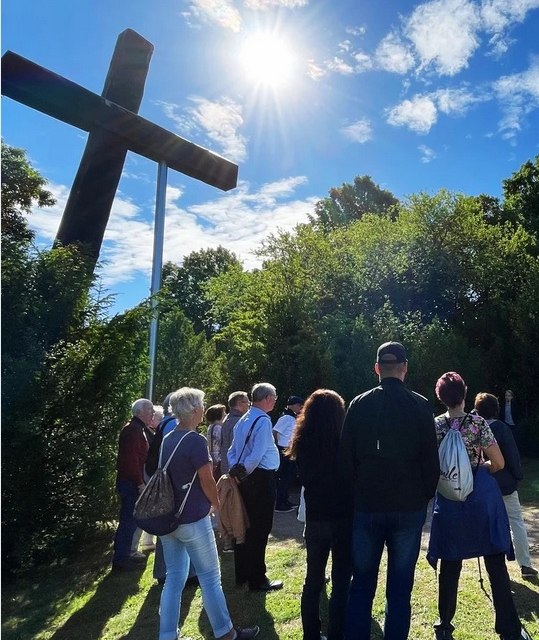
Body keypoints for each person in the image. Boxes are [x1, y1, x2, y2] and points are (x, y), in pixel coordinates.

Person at [339, 341, 440, 640]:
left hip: (368, 505)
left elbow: (345, 461)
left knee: (362, 582)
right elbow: (430, 462)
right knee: (400, 585)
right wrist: (422, 497)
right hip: (408, 507)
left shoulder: (358, 404)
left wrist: (358, 492)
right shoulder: (420, 405)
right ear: (405, 368)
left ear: (377, 369)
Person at [428, 372, 531, 640]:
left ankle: (445, 626)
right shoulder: (478, 424)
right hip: (479, 502)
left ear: (440, 397)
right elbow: (498, 463)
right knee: (495, 563)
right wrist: (482, 465)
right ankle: (509, 629)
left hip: (449, 502)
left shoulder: (435, 426)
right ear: (465, 393)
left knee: (450, 565)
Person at [158, 387, 259, 640]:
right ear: (194, 410)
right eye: (201, 405)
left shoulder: (167, 438)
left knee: (174, 579)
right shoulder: (195, 440)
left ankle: (167, 635)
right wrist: (217, 506)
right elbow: (206, 480)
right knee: (211, 577)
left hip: (170, 519)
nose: (204, 409)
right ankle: (226, 634)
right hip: (193, 519)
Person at [288, 389, 352, 640]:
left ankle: (311, 633)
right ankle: (337, 632)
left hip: (316, 517)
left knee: (313, 578)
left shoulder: (302, 442)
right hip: (344, 516)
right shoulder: (346, 440)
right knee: (341, 580)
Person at [474, 392, 538, 579]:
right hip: (504, 483)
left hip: (483, 484)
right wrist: (517, 476)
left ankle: (494, 565)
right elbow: (512, 455)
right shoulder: (501, 429)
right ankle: (525, 564)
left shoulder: (473, 428)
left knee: (489, 524)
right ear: (496, 409)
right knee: (516, 522)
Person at [227, 382, 283, 591]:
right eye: (275, 397)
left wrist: (236, 470)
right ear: (267, 398)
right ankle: (257, 579)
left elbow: (232, 451)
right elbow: (257, 454)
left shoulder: (243, 418)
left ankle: (243, 574)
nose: (275, 401)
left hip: (245, 477)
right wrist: (245, 473)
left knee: (244, 526)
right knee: (260, 528)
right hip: (259, 479)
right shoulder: (263, 420)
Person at [112, 398, 154, 571]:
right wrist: (139, 482)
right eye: (149, 410)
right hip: (130, 482)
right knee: (128, 521)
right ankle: (121, 560)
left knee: (131, 520)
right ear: (139, 412)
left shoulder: (138, 429)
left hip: (132, 481)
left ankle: (125, 555)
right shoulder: (132, 430)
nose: (152, 413)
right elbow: (131, 460)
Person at [273, 395, 304, 512]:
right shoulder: (286, 417)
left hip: (289, 449)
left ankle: (285, 500)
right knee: (285, 477)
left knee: (289, 477)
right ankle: (280, 503)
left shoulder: (292, 417)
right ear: (292, 405)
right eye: (298, 405)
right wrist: (277, 446)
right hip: (284, 449)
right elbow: (275, 431)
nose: (300, 407)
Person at [220, 391, 250, 475]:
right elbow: (237, 449)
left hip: (226, 466)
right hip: (233, 470)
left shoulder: (228, 419)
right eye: (247, 402)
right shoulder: (238, 422)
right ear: (239, 403)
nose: (249, 405)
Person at [206, 404, 227, 481]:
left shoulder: (211, 426)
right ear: (218, 415)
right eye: (223, 413)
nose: (225, 415)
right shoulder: (218, 428)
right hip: (218, 459)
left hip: (213, 457)